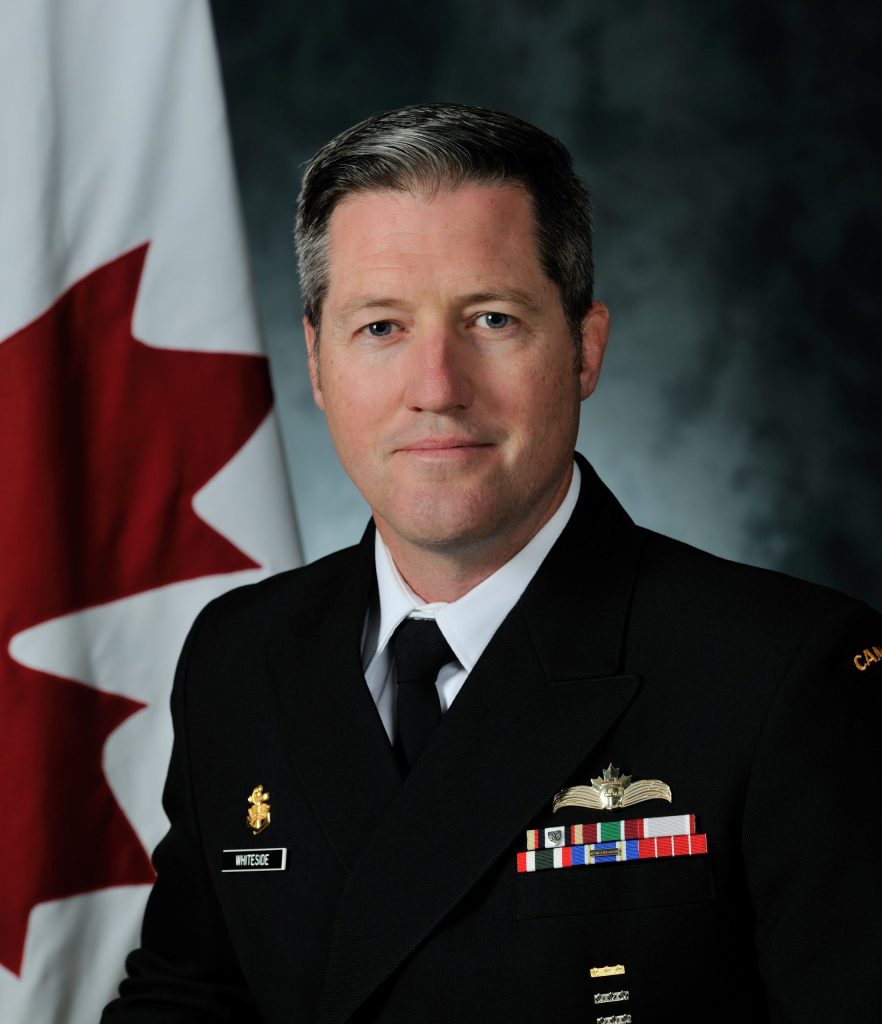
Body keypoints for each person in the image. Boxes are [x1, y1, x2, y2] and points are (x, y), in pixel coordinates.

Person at [102, 103, 882, 1024]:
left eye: (493, 319)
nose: (437, 387)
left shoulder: (784, 674)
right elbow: (188, 999)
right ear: (315, 362)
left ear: (584, 349)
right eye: (381, 327)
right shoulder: (240, 655)